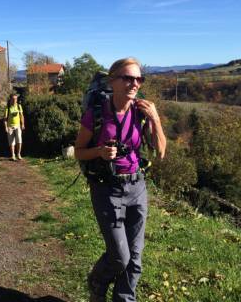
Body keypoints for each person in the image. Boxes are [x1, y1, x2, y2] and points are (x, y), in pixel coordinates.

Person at [74, 58, 166, 302]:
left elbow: (160, 151)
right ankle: (97, 280)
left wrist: (155, 119)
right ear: (112, 81)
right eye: (127, 78)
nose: (134, 83)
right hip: (107, 188)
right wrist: (100, 152)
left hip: (137, 187)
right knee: (119, 257)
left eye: (138, 79)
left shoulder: (142, 112)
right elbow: (79, 151)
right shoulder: (96, 113)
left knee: (135, 259)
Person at [4, 93, 25, 161]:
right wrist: (6, 127)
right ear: (10, 99)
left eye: (16, 99)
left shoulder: (19, 106)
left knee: (19, 140)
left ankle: (18, 154)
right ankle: (13, 155)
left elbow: (21, 116)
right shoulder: (8, 107)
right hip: (10, 127)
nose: (14, 100)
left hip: (18, 126)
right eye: (13, 99)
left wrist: (23, 124)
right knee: (12, 142)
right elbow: (5, 119)